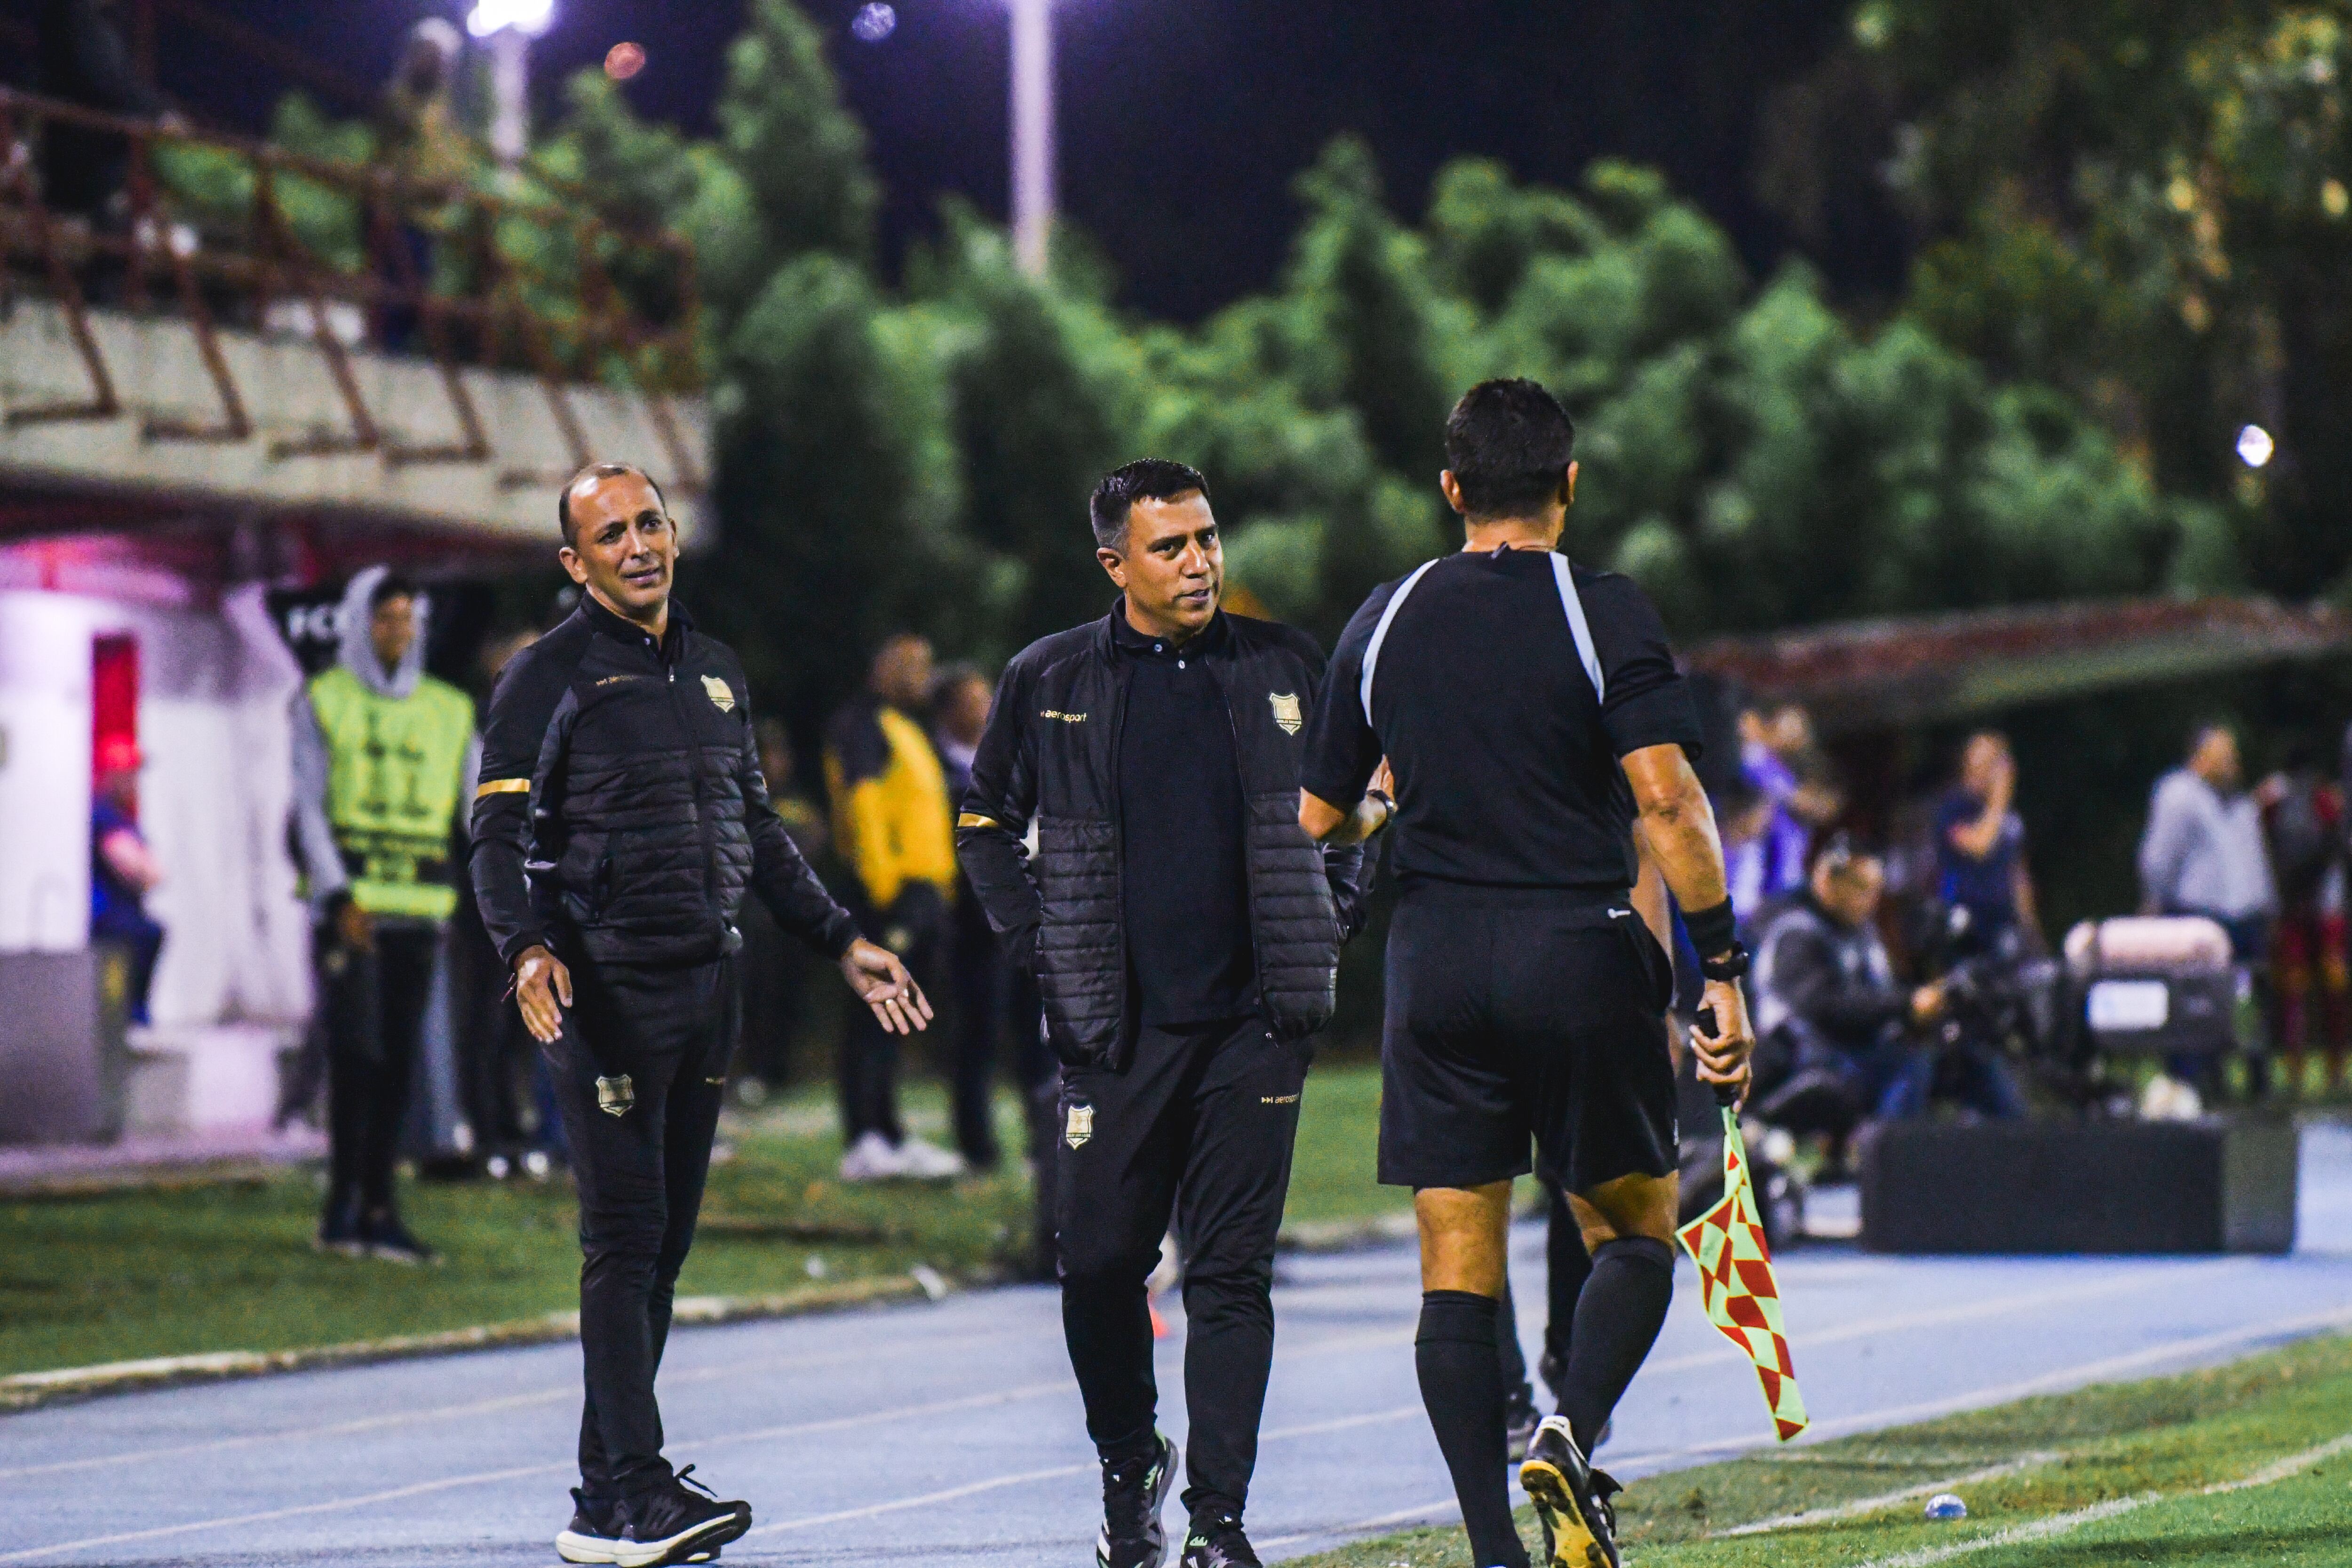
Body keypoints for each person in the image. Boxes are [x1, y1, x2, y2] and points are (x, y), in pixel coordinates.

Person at [1299, 379, 1753, 1568]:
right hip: (1575, 945)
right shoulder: (1601, 607)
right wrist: (1721, 966)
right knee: (1639, 1230)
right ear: (1570, 483)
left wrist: (1389, 805)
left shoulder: (1384, 615)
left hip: (1435, 962)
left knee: (1456, 1273)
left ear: (1451, 488)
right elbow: (1667, 800)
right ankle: (1567, 1430)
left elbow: (1318, 818)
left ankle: (1495, 1549)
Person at [472, 462, 930, 1568]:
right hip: (603, 993)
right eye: (610, 534)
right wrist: (527, 947)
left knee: (665, 1246)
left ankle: (606, 1495)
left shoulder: (717, 670)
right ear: (575, 562)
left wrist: (842, 940)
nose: (637, 545)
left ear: (674, 534)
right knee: (625, 1240)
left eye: (650, 523)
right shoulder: (547, 675)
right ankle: (635, 1490)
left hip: (707, 986)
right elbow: (495, 837)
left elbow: (758, 832)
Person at [956, 460, 1373, 1568]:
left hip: (1255, 1029)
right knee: (1099, 1264)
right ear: (1115, 564)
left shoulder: (1285, 662)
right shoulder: (1049, 675)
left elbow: (1361, 802)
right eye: (1170, 546)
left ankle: (1217, 1523)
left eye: (1207, 538)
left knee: (1231, 1275)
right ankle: (1129, 1459)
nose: (1199, 562)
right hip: (1117, 1033)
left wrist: (1329, 919)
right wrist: (1039, 945)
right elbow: (983, 823)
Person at [289, 567, 477, 1263]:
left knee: (397, 1065)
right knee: (357, 1058)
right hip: (354, 915)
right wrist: (338, 895)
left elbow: (480, 809)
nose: (396, 632)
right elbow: (308, 805)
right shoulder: (324, 698)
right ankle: (345, 1206)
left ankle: (377, 1207)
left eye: (406, 619)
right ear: (359, 623)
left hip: (419, 913)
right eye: (383, 618)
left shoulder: (450, 709)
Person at [1754, 839, 2023, 1138]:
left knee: (1968, 1057)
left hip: (1857, 1052)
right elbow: (1825, 1006)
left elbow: (1878, 995)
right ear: (1827, 880)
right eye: (1860, 887)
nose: (1870, 900)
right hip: (1805, 1058)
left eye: (1875, 890)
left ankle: (2020, 1149)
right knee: (1910, 1063)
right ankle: (1886, 1157)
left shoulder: (1861, 935)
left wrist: (1923, 1007)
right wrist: (1907, 1005)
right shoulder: (1796, 933)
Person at [825, 633, 966, 1180]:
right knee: (872, 1014)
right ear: (882, 667)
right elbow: (862, 807)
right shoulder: (862, 724)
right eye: (910, 665)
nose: (921, 677)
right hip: (888, 895)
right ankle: (864, 1140)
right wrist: (884, 891)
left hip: (922, 892)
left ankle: (888, 1132)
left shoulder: (908, 728)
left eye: (925, 666)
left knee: (896, 1018)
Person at [2139, 723, 2279, 1095]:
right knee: (2196, 1004)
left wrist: (2268, 904)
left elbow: (2254, 859)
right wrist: (2156, 899)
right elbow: (2159, 858)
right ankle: (2195, 1083)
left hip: (2245, 916)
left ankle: (2257, 1082)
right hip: (2197, 916)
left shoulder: (2240, 802)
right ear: (2200, 756)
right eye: (2223, 753)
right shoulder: (2179, 794)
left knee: (2250, 1004)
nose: (2232, 761)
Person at [732, 717, 829, 1102]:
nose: (776, 761)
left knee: (789, 995)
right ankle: (751, 1071)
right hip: (753, 917)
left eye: (779, 753)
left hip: (793, 919)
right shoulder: (741, 801)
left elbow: (816, 841)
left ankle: (780, 1070)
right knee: (753, 995)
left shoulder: (798, 803)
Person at [372, 18, 469, 352]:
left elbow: (453, 153)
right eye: (427, 54)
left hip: (433, 219)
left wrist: (454, 182)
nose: (432, 63)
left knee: (418, 297)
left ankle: (399, 350)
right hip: (399, 213)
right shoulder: (399, 99)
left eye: (439, 58)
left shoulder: (444, 107)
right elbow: (388, 157)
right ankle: (388, 353)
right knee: (396, 294)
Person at [2259, 746, 2346, 1098]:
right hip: (2324, 905)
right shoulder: (2324, 798)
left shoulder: (2274, 800)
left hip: (2293, 904)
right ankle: (2333, 1068)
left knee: (2295, 989)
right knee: (2330, 987)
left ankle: (2297, 1068)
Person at [34, 0, 166, 227]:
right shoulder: (74, 18)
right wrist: (158, 112)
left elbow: (117, 81)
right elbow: (106, 83)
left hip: (90, 152)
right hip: (83, 155)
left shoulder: (98, 20)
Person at [1935, 731, 2043, 956]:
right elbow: (1980, 847)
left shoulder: (2010, 818)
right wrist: (1999, 800)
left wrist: (2031, 927)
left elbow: (2017, 874)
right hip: (1966, 922)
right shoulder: (1954, 808)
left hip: (2004, 921)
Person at [88, 735, 163, 1026]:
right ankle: (127, 1017)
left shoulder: (122, 816)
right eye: (128, 775)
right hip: (107, 917)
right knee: (142, 936)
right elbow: (135, 867)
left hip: (126, 914)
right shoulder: (104, 814)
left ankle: (132, 1014)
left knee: (149, 933)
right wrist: (144, 869)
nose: (134, 782)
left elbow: (153, 873)